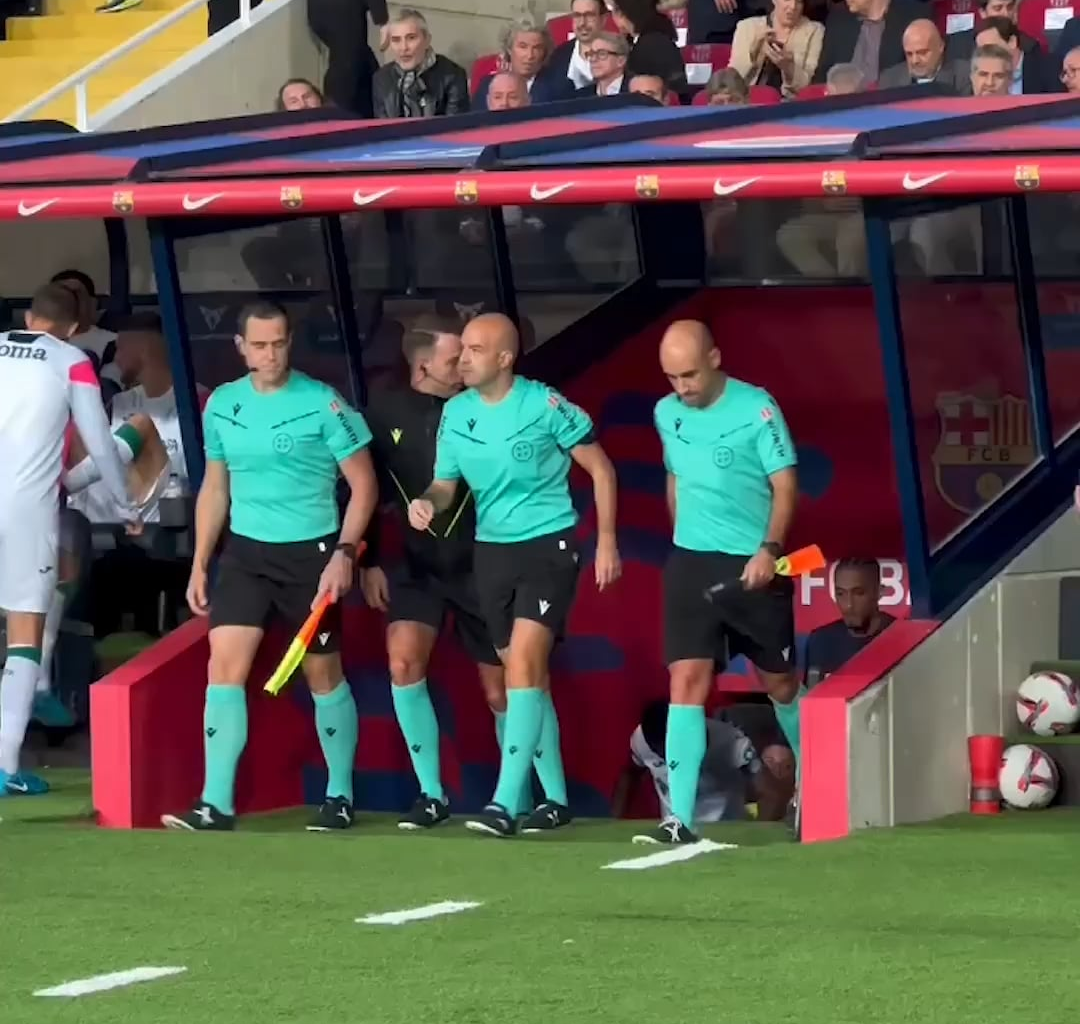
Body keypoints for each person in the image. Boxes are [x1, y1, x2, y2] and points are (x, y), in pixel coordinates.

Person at [161, 301, 378, 833]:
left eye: (279, 342)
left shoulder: (324, 404)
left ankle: (340, 794)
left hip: (313, 555)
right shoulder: (223, 405)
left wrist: (344, 554)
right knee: (224, 667)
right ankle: (215, 803)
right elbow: (216, 486)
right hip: (246, 555)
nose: (271, 353)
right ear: (240, 347)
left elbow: (365, 485)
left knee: (322, 675)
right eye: (259, 344)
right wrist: (199, 563)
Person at [408, 313, 621, 838]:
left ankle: (505, 803)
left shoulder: (544, 405)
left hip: (547, 546)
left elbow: (601, 469)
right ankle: (556, 800)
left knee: (524, 667)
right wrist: (426, 502)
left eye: (476, 350)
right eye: (463, 350)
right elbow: (445, 484)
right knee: (522, 677)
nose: (463, 358)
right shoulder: (456, 414)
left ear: (505, 358)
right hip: (492, 553)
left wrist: (608, 541)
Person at [360, 315, 531, 829]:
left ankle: (517, 798)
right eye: (456, 357)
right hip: (418, 567)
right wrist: (366, 560)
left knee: (502, 690)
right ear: (423, 364)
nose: (465, 364)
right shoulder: (382, 413)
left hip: (482, 567)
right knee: (403, 664)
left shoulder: (483, 407)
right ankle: (431, 795)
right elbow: (365, 490)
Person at [636, 320, 799, 845]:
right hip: (690, 562)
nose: (681, 387)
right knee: (685, 683)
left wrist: (769, 550)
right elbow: (675, 473)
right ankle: (678, 818)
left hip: (752, 563)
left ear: (715, 358)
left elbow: (785, 485)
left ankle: (812, 791)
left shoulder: (758, 409)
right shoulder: (666, 413)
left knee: (780, 684)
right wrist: (681, 532)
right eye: (671, 377)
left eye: (688, 375)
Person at [0, 284, 135, 798]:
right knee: (24, 639)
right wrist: (123, 504)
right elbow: (99, 439)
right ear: (77, 326)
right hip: (26, 512)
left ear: (28, 315)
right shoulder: (72, 360)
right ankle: (6, 765)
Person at [611, 700, 793, 823]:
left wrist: (756, 836)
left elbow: (771, 793)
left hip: (724, 832)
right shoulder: (642, 740)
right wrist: (616, 822)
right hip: (675, 831)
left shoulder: (732, 742)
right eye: (663, 753)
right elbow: (630, 773)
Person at [803, 557, 896, 687]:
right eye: (841, 594)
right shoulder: (820, 641)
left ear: (879, 592)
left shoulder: (899, 638)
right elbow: (813, 700)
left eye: (858, 593)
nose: (848, 605)